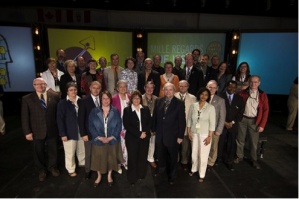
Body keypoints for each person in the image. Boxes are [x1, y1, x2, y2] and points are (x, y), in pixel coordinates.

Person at [21, 77, 60, 182]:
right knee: (38, 151)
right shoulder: (27, 99)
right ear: (34, 86)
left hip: (52, 129)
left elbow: (58, 114)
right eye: (38, 84)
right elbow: (25, 117)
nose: (40, 86)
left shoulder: (55, 96)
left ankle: (52, 167)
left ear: (46, 84)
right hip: (36, 130)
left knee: (53, 150)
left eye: (42, 84)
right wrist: (27, 132)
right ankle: (41, 170)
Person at [152, 82, 186, 185]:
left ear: (174, 91)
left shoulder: (179, 103)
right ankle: (161, 170)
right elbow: (155, 116)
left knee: (172, 157)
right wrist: (153, 129)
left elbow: (182, 121)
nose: (168, 91)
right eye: (166, 89)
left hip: (173, 136)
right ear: (163, 91)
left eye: (170, 89)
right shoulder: (158, 101)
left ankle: (172, 175)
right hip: (160, 135)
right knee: (160, 155)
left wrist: (180, 136)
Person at [89, 90, 123, 187]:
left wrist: (111, 137)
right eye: (103, 98)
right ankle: (99, 176)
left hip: (112, 140)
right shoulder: (94, 111)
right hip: (99, 140)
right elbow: (91, 126)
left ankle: (109, 175)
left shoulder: (115, 111)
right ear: (101, 99)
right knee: (98, 159)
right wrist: (99, 137)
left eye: (107, 98)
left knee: (111, 158)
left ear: (110, 99)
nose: (105, 100)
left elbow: (119, 125)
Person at [234, 75, 269, 170]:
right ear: (249, 82)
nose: (253, 84)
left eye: (256, 82)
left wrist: (262, 125)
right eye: (252, 82)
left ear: (259, 83)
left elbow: (266, 110)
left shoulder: (262, 94)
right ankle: (239, 156)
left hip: (254, 121)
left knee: (253, 142)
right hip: (243, 119)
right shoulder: (243, 93)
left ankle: (254, 159)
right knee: (240, 139)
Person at [123, 90, 152, 186]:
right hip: (132, 139)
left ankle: (141, 175)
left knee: (142, 157)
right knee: (132, 158)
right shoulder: (127, 110)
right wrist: (139, 134)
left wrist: (145, 133)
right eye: (134, 98)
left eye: (138, 98)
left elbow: (149, 123)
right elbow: (127, 125)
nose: (136, 100)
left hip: (144, 137)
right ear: (131, 99)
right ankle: (132, 178)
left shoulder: (146, 109)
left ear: (141, 99)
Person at [187, 87, 215, 183]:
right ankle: (193, 169)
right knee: (194, 153)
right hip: (194, 133)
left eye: (206, 95)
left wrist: (209, 137)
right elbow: (189, 120)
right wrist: (189, 132)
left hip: (205, 134)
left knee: (203, 155)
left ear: (208, 97)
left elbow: (212, 123)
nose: (203, 96)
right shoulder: (193, 106)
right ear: (199, 94)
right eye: (202, 94)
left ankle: (202, 173)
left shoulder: (211, 108)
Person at [57, 82, 85, 177]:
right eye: (71, 90)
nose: (73, 91)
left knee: (81, 149)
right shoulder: (62, 103)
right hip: (69, 131)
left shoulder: (81, 101)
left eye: (75, 89)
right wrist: (62, 134)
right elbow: (59, 120)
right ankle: (71, 169)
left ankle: (82, 162)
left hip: (81, 130)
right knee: (70, 152)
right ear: (67, 92)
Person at [217, 81, 244, 171]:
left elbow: (240, 113)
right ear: (226, 87)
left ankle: (229, 161)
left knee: (231, 144)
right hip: (221, 124)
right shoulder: (220, 96)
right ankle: (218, 159)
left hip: (233, 125)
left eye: (234, 87)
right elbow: (217, 112)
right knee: (220, 143)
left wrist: (231, 123)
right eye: (230, 87)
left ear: (236, 88)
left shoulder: (239, 99)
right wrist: (224, 122)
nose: (232, 89)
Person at [78, 81, 102, 180]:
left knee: (100, 152)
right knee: (89, 153)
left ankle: (100, 169)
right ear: (90, 88)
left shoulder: (103, 99)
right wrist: (83, 133)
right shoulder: (84, 101)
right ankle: (87, 171)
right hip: (89, 133)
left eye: (98, 88)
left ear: (100, 89)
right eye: (94, 87)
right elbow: (81, 119)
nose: (96, 90)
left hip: (102, 133)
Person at [174, 80, 197, 171]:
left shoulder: (193, 98)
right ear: (178, 86)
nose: (183, 88)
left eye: (185, 86)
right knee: (175, 146)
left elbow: (195, 113)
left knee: (185, 146)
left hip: (187, 126)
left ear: (188, 87)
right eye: (181, 86)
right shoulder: (173, 95)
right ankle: (175, 160)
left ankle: (184, 162)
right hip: (175, 126)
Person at [206, 80, 226, 170]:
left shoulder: (220, 100)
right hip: (202, 128)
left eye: (214, 88)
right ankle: (203, 160)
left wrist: (219, 130)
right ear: (206, 87)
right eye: (210, 87)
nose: (212, 89)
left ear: (217, 88)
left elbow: (222, 117)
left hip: (214, 129)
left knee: (213, 147)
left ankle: (210, 162)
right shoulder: (201, 97)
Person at [112, 80, 130, 172]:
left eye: (125, 86)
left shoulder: (130, 97)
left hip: (129, 127)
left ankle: (126, 162)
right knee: (118, 146)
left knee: (127, 145)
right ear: (117, 88)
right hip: (117, 127)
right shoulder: (113, 98)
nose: (123, 88)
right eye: (121, 87)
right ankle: (118, 164)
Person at [142, 81, 158, 168]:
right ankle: (143, 159)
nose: (149, 89)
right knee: (143, 143)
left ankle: (151, 158)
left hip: (153, 125)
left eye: (151, 87)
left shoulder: (157, 99)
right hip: (143, 125)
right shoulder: (139, 98)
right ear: (144, 88)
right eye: (147, 87)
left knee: (152, 143)